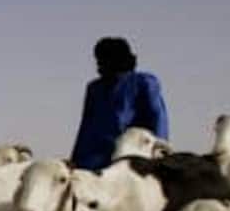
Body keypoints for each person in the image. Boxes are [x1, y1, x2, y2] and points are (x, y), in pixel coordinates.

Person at [70, 37, 169, 170]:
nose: (99, 64)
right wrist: (75, 160)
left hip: (132, 155)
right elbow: (86, 126)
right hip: (93, 159)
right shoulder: (94, 88)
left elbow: (157, 116)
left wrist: (160, 150)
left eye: (104, 59)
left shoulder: (143, 82)